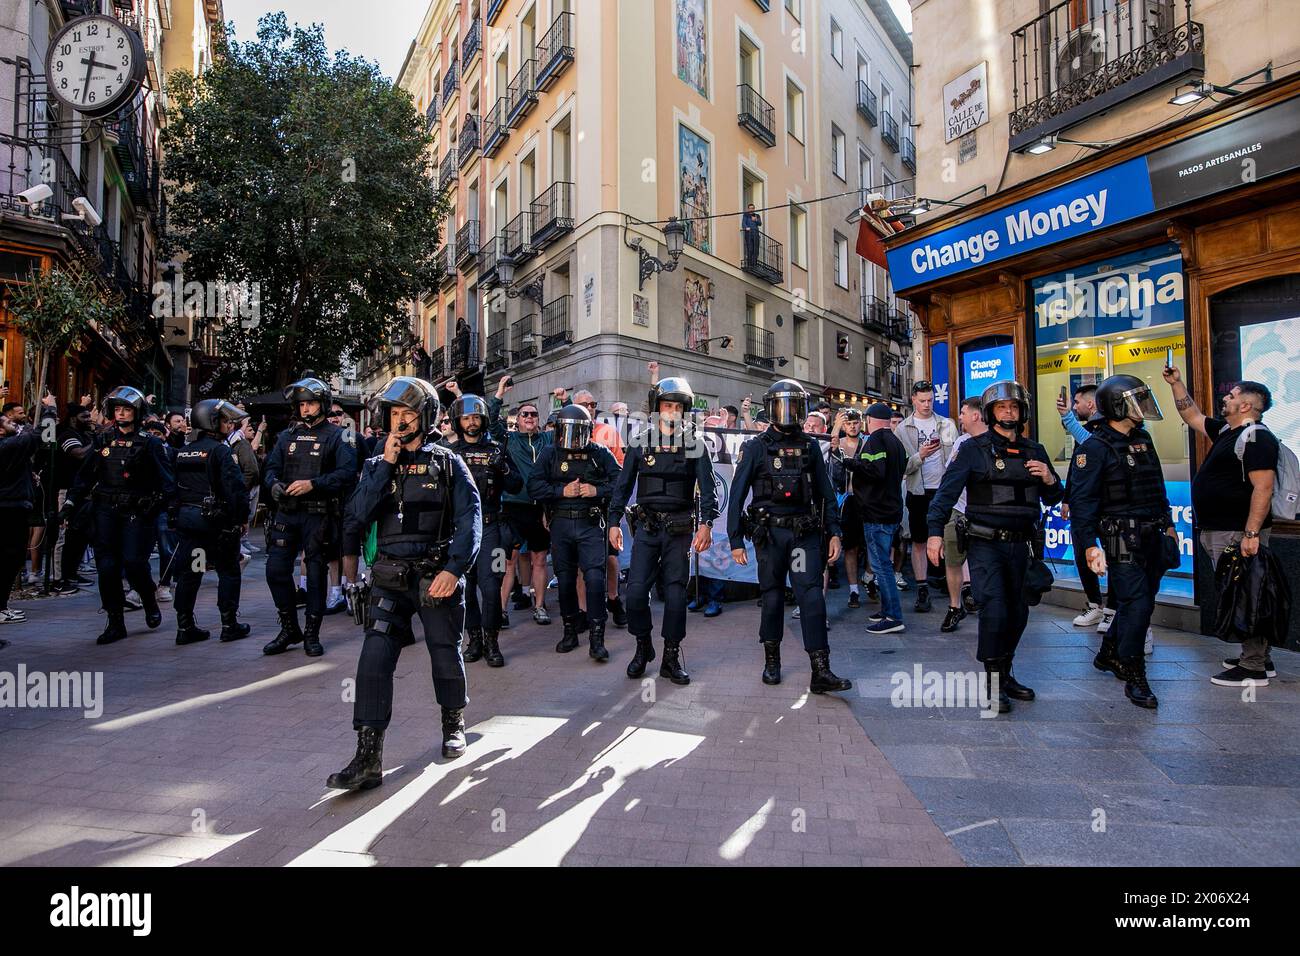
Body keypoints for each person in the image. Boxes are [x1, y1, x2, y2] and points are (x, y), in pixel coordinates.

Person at [327, 377, 481, 789]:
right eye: (395, 414)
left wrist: (454, 569)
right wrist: (385, 465)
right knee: (373, 662)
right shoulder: (376, 464)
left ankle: (454, 723)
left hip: (436, 579)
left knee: (445, 654)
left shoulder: (450, 463)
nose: (401, 421)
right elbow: (356, 516)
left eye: (408, 414)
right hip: (389, 578)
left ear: (425, 417)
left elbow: (471, 520)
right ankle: (368, 758)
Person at [926, 381, 1062, 713]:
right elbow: (945, 493)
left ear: (1022, 412)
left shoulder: (1035, 451)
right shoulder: (974, 449)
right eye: (1002, 408)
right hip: (985, 544)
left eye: (1013, 407)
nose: (1008, 413)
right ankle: (993, 681)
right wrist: (933, 533)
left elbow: (1055, 498)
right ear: (990, 413)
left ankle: (1005, 671)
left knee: (1018, 614)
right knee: (995, 611)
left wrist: (1050, 478)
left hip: (1024, 546)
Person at [728, 379, 851, 694]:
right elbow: (737, 494)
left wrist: (835, 532)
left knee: (811, 595)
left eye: (793, 405)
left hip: (802, 536)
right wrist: (735, 540)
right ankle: (772, 661)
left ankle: (820, 670)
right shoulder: (755, 447)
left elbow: (825, 493)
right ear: (770, 409)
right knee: (771, 597)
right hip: (770, 535)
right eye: (782, 405)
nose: (787, 413)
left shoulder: (809, 446)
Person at [1163, 367, 1281, 687]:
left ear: (1245, 406)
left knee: (1247, 595)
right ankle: (1259, 656)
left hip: (1237, 532)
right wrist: (1176, 383)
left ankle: (1253, 665)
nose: (1225, 399)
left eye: (1232, 396)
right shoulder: (1230, 433)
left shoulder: (1256, 437)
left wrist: (1251, 533)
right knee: (1240, 593)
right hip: (1222, 530)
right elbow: (1192, 415)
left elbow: (1264, 488)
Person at [1068, 374, 1176, 709]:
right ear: (1117, 406)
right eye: (1135, 400)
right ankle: (1134, 674)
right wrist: (1089, 546)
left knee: (1141, 600)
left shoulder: (1143, 439)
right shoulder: (1095, 447)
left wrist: (1169, 525)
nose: (1142, 408)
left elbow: (1156, 486)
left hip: (1153, 533)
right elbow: (1082, 503)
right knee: (1137, 603)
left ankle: (1108, 653)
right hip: (1119, 537)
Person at [610, 376, 719, 685]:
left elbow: (709, 491)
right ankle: (643, 646)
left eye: (677, 407)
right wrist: (614, 522)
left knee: (674, 596)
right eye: (666, 406)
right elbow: (622, 487)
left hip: (679, 530)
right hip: (646, 527)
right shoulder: (639, 442)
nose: (671, 411)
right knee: (634, 594)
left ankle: (671, 656)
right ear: (657, 408)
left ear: (684, 411)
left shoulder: (695, 445)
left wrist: (707, 524)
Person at [62, 387, 175, 645]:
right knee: (107, 568)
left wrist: (160, 508)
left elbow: (167, 483)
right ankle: (115, 622)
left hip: (137, 513)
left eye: (126, 409)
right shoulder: (103, 440)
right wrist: (69, 503)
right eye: (117, 409)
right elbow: (86, 475)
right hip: (105, 512)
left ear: (136, 412)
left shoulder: (151, 443)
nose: (121, 414)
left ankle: (148, 598)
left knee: (135, 563)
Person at [262, 377, 358, 657]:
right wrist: (274, 485)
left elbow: (347, 473)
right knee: (275, 570)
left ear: (323, 404)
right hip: (287, 512)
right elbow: (270, 469)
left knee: (316, 573)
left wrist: (313, 484)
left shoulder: (339, 436)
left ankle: (312, 634)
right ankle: (289, 627)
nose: (306, 409)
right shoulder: (286, 436)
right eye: (302, 404)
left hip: (318, 516)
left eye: (311, 403)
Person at [528, 404, 621, 662]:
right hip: (561, 525)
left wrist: (596, 491)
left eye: (579, 431)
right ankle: (570, 630)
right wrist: (560, 492)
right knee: (565, 580)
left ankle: (597, 638)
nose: (574, 438)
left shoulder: (599, 453)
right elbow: (534, 486)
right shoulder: (550, 454)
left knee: (594, 579)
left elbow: (620, 483)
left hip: (591, 524)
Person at [169, 400, 252, 645]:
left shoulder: (184, 451)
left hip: (191, 524)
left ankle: (185, 626)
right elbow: (234, 488)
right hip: (218, 525)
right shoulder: (220, 450)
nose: (229, 425)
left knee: (192, 572)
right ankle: (229, 625)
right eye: (225, 421)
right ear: (211, 423)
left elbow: (174, 488)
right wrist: (240, 519)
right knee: (228, 571)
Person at [447, 393, 521, 667]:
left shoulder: (497, 450)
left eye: (476, 417)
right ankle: (474, 639)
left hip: (492, 527)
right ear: (458, 421)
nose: (471, 422)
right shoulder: (450, 454)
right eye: (466, 417)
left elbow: (516, 485)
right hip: (461, 529)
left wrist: (503, 468)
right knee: (464, 589)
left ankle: (492, 642)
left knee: (492, 588)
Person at [844, 402, 908, 634]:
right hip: (891, 511)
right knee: (883, 565)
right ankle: (887, 609)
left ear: (870, 420)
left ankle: (893, 616)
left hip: (877, 513)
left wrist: (852, 464)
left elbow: (876, 470)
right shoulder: (896, 442)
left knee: (882, 567)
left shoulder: (875, 440)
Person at [493, 392, 554, 626]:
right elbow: (491, 422)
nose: (529, 417)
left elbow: (571, 424)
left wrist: (567, 402)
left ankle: (539, 606)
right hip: (513, 506)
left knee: (539, 558)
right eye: (524, 414)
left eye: (534, 414)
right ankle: (500, 610)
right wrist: (499, 394)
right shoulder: (509, 439)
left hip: (540, 508)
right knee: (509, 560)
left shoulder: (547, 440)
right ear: (517, 419)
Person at [897, 381, 959, 614]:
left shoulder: (946, 424)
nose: (926, 405)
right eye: (922, 400)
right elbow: (901, 467)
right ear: (913, 399)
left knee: (950, 538)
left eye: (930, 400)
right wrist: (920, 455)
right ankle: (922, 587)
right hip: (918, 491)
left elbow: (957, 457)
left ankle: (955, 584)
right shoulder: (903, 429)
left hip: (943, 491)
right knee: (920, 540)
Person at [0, 395, 56, 628]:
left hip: (13, 504)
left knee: (11, 557)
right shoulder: (9, 445)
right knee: (10, 556)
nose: (13, 424)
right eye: (8, 422)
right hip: (9, 507)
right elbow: (43, 436)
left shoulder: (12, 446)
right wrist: (50, 410)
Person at [574, 388, 627, 628]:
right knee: (580, 564)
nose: (590, 407)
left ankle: (614, 600)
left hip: (604, 506)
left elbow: (622, 472)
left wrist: (601, 490)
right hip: (575, 508)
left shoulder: (608, 432)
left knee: (611, 557)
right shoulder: (566, 434)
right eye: (584, 404)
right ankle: (584, 611)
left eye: (593, 403)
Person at [1056, 384, 1108, 627]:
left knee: (1115, 554)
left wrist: (1067, 417)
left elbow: (1092, 445)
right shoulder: (1083, 433)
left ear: (1092, 403)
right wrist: (1067, 498)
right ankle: (1095, 604)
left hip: (1105, 505)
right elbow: (1077, 466)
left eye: (1078, 402)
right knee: (1082, 554)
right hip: (1081, 505)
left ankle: (1113, 609)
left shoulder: (1108, 432)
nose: (1075, 406)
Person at [938, 397, 986, 633]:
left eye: (964, 413)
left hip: (985, 512)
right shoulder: (961, 443)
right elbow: (950, 477)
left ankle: (985, 602)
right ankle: (955, 606)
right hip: (959, 510)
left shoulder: (994, 442)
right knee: (953, 559)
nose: (961, 417)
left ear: (976, 415)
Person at [49, 400, 96, 595]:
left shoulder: (83, 434)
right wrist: (97, 443)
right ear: (73, 418)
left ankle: (71, 573)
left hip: (81, 491)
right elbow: (78, 454)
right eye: (84, 416)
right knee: (63, 536)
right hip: (65, 490)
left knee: (79, 535)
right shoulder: (67, 435)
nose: (89, 419)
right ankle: (57, 578)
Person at [741, 203, 761, 267]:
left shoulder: (757, 216)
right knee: (750, 249)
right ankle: (749, 264)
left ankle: (754, 264)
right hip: (749, 234)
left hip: (755, 234)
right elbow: (743, 223)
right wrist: (746, 227)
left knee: (756, 249)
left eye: (752, 208)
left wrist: (756, 220)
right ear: (748, 209)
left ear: (754, 209)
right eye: (750, 208)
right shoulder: (745, 215)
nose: (751, 209)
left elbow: (760, 223)